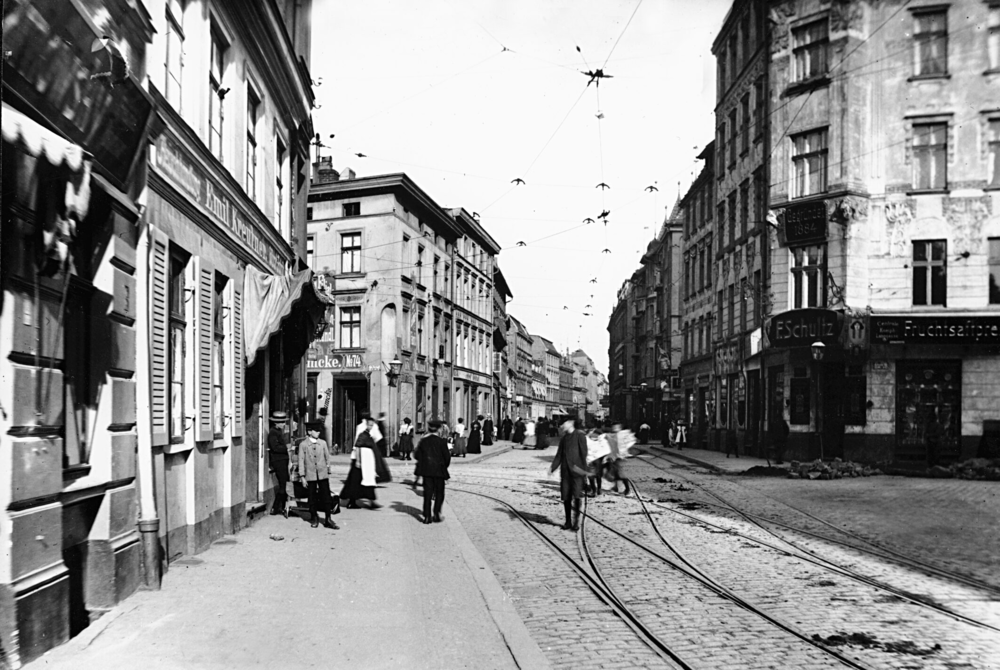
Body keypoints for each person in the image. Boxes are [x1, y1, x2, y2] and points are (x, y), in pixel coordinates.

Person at [551, 418, 592, 531]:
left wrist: (584, 472)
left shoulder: (579, 436)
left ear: (570, 423)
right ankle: (568, 521)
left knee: (577, 496)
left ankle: (576, 522)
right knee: (566, 497)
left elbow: (584, 454)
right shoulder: (564, 439)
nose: (562, 426)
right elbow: (559, 455)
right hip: (565, 472)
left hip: (577, 472)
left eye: (564, 423)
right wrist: (552, 468)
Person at [298, 421, 339, 529]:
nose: (318, 433)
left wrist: (328, 470)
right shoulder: (303, 445)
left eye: (319, 431)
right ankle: (314, 517)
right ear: (309, 432)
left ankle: (328, 519)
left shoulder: (323, 443)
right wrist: (302, 477)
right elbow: (301, 461)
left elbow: (327, 458)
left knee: (326, 496)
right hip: (310, 475)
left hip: (322, 474)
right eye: (316, 431)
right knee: (311, 497)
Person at [415, 420, 452, 523]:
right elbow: (447, 458)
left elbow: (417, 455)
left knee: (428, 493)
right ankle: (436, 514)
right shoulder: (442, 442)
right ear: (439, 429)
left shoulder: (423, 441)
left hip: (427, 472)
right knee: (439, 493)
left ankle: (427, 517)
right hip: (439, 471)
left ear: (429, 429)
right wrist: (444, 467)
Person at [341, 416, 381, 509]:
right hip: (361, 462)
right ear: (366, 424)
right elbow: (357, 447)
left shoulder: (368, 435)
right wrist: (358, 461)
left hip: (367, 462)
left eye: (372, 425)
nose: (371, 427)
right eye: (369, 425)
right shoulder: (362, 434)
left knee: (368, 481)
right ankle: (352, 502)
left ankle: (371, 501)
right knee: (355, 482)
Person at [267, 411, 291, 518]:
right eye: (281, 422)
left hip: (282, 460)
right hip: (278, 461)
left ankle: (280, 507)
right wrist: (287, 447)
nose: (283, 424)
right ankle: (275, 507)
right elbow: (275, 448)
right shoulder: (273, 433)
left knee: (284, 484)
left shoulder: (278, 432)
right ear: (276, 423)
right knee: (284, 485)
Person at [605, 422, 631, 495]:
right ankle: (616, 487)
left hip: (620, 458)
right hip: (615, 458)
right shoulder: (614, 436)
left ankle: (627, 489)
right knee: (615, 473)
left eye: (616, 427)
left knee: (621, 474)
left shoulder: (621, 436)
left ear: (620, 428)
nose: (615, 428)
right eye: (614, 427)